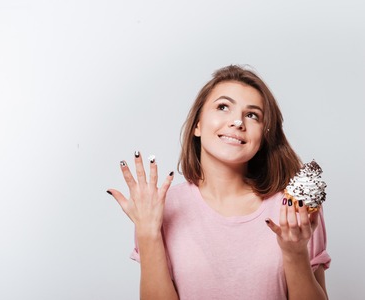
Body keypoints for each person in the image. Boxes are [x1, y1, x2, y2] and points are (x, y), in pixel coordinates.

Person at [107, 65, 330, 300]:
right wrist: (148, 232)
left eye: (252, 115)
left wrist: (295, 253)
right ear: (197, 125)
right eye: (223, 107)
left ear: (263, 137)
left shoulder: (293, 208)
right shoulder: (160, 207)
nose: (237, 121)